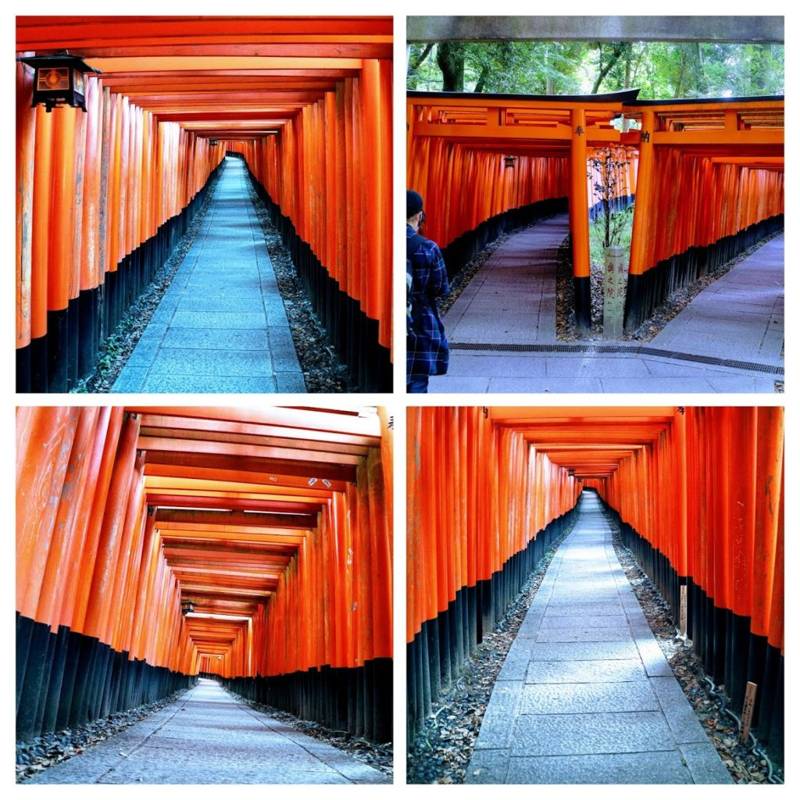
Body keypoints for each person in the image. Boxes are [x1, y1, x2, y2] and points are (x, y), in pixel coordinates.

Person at [407, 190, 450, 393]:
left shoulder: (383, 243)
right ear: (419, 215)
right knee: (416, 380)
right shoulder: (427, 248)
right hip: (420, 320)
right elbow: (441, 288)